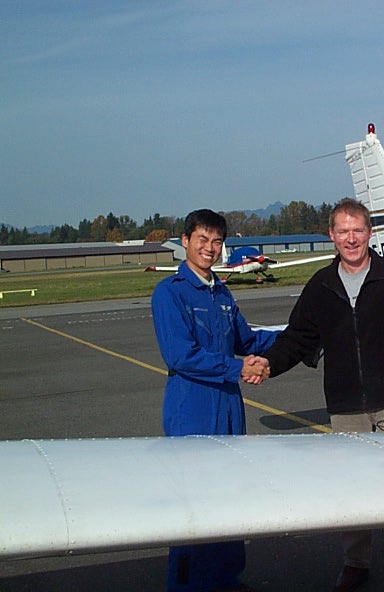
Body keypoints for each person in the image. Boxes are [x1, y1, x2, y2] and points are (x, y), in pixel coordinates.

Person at [248, 198, 384, 592]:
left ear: (369, 233)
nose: (351, 238)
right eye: (343, 231)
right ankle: (356, 563)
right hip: (346, 408)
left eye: (357, 230)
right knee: (352, 490)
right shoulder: (322, 286)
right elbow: (297, 338)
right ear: (331, 236)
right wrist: (269, 364)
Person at [151, 208, 277, 592]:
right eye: (201, 240)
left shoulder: (221, 292)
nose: (209, 248)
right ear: (185, 242)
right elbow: (180, 355)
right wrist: (237, 369)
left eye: (216, 241)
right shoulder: (170, 293)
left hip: (228, 408)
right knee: (194, 501)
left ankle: (226, 578)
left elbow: (248, 340)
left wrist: (300, 335)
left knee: (229, 495)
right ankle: (187, 585)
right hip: (192, 407)